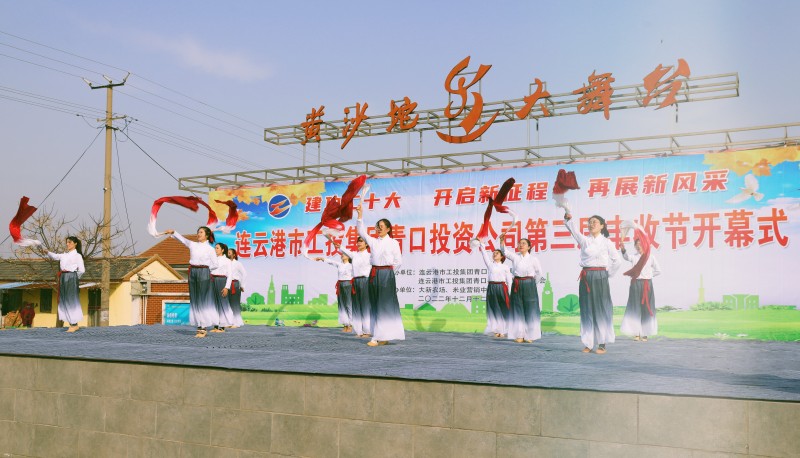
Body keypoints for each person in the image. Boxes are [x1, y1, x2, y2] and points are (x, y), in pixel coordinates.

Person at [564, 213, 621, 354]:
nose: (591, 224)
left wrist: (607, 274)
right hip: (586, 276)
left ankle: (602, 343)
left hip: (601, 276)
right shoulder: (585, 240)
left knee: (601, 309)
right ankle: (588, 343)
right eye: (589, 222)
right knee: (586, 308)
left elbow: (617, 261)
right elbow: (574, 231)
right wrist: (569, 219)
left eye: (594, 222)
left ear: (602, 226)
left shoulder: (607, 242)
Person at [356, 204, 404, 346]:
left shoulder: (393, 242)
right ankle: (381, 336)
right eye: (377, 226)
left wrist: (388, 274)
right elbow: (361, 232)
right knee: (375, 304)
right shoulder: (373, 241)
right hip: (374, 273)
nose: (378, 228)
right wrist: (360, 215)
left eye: (381, 226)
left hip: (386, 275)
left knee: (386, 306)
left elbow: (398, 262)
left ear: (388, 229)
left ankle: (378, 337)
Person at [165, 227, 218, 338]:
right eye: (198, 232)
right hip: (193, 272)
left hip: (204, 272)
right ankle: (199, 325)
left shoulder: (210, 249)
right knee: (195, 299)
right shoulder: (193, 245)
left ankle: (203, 327)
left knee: (202, 300)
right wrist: (174, 232)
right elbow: (182, 240)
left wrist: (206, 269)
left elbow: (215, 264)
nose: (199, 234)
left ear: (207, 235)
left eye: (201, 232)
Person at [498, 233, 543, 343]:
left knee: (530, 309)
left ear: (529, 247)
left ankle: (530, 335)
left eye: (523, 243)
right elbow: (505, 252)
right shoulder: (515, 257)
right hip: (517, 284)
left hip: (529, 284)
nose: (521, 245)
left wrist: (531, 284)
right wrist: (502, 241)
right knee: (517, 309)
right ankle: (519, 335)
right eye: (519, 243)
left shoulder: (533, 259)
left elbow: (539, 274)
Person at [620, 238, 661, 341]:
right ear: (635, 246)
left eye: (641, 244)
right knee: (635, 308)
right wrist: (623, 249)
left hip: (647, 285)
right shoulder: (633, 257)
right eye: (637, 244)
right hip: (635, 284)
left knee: (646, 308)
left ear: (645, 245)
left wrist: (648, 275)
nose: (639, 246)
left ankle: (645, 333)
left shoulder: (650, 257)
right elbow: (626, 257)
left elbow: (658, 271)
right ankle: (636, 333)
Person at [45, 236, 85, 332]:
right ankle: (72, 324)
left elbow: (82, 270)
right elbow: (55, 256)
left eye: (70, 242)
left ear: (75, 243)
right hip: (63, 277)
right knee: (64, 300)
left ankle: (74, 324)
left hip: (71, 277)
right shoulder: (64, 255)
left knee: (71, 300)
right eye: (67, 242)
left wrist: (74, 277)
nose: (67, 244)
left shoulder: (77, 256)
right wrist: (47, 252)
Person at [336, 235, 372, 337]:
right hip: (355, 281)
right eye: (358, 241)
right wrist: (339, 246)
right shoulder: (355, 255)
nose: (359, 243)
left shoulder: (370, 255)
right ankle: (359, 331)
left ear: (366, 244)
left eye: (361, 241)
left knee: (365, 306)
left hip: (365, 280)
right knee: (356, 307)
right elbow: (346, 251)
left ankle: (367, 331)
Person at [476, 244, 512, 338]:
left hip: (502, 287)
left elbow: (509, 281)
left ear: (502, 257)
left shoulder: (505, 267)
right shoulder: (490, 265)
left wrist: (511, 292)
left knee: (504, 308)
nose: (494, 254)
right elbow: (484, 254)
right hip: (491, 287)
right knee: (493, 309)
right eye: (494, 253)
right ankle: (495, 330)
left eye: (497, 253)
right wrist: (481, 244)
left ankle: (504, 330)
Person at [314, 250, 354, 333]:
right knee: (341, 305)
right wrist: (322, 258)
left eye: (344, 254)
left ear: (348, 256)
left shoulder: (352, 266)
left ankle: (350, 325)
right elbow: (331, 262)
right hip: (340, 284)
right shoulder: (340, 265)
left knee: (348, 304)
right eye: (342, 254)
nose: (342, 255)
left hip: (348, 284)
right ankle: (345, 324)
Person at [209, 242, 235, 332]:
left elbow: (230, 275)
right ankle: (216, 325)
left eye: (217, 248)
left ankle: (222, 326)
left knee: (222, 303)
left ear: (222, 250)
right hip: (212, 281)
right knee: (213, 303)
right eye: (215, 248)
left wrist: (226, 287)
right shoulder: (212, 260)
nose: (215, 250)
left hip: (221, 281)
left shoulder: (227, 261)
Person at [227, 248, 247, 328]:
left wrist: (242, 285)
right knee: (227, 304)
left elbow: (244, 274)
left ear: (234, 255)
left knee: (235, 303)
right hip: (226, 284)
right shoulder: (226, 263)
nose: (227, 254)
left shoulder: (238, 263)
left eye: (229, 253)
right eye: (227, 252)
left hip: (234, 284)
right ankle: (230, 322)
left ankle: (237, 322)